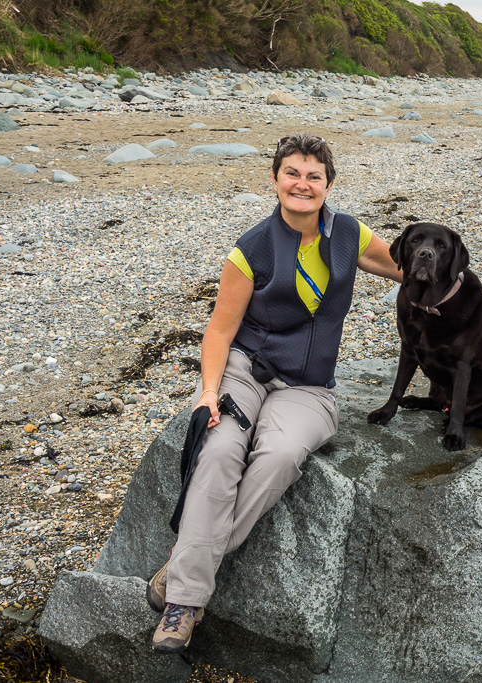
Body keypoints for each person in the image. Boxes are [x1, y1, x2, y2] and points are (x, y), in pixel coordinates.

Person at [147, 133, 402, 654]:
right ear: (275, 179)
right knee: (219, 452)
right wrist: (208, 393)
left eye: (313, 176)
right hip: (245, 369)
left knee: (281, 455)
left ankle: (181, 567)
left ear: (329, 184)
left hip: (309, 387)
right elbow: (219, 331)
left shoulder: (351, 234)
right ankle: (184, 604)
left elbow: (411, 266)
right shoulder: (251, 248)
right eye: (292, 173)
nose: (302, 184)